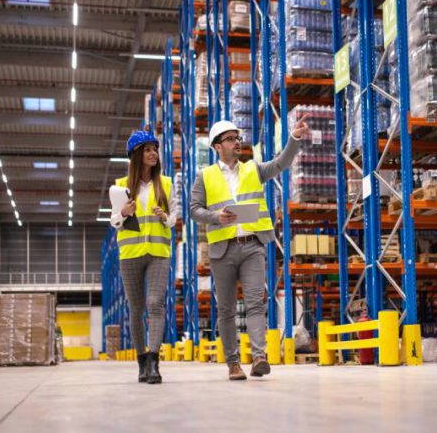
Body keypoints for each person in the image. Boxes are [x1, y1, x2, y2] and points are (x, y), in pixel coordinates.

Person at [190, 116, 309, 380]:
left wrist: (294, 139)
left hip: (252, 245)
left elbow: (281, 164)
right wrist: (215, 216)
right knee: (227, 309)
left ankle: (259, 357)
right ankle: (233, 363)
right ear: (217, 146)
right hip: (222, 250)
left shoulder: (252, 169)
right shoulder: (205, 177)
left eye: (237, 138)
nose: (236, 143)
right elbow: (194, 209)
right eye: (231, 139)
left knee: (256, 303)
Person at [109, 128, 178, 384]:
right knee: (136, 309)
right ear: (136, 155)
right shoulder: (120, 187)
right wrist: (124, 213)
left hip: (159, 253)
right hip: (130, 254)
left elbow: (173, 221)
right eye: (147, 149)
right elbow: (114, 222)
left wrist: (165, 218)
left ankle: (154, 362)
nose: (153, 154)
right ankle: (141, 363)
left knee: (155, 303)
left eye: (155, 149)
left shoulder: (167, 184)